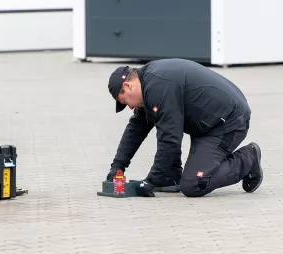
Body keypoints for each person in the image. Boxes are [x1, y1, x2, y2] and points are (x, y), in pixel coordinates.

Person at [106, 58, 263, 197]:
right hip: (206, 125)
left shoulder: (158, 86)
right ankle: (170, 177)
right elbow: (136, 129)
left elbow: (170, 138)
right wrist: (118, 166)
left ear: (128, 86)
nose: (130, 107)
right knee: (166, 126)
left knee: (194, 184)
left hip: (229, 123)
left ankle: (249, 158)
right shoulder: (148, 83)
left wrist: (152, 180)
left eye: (125, 102)